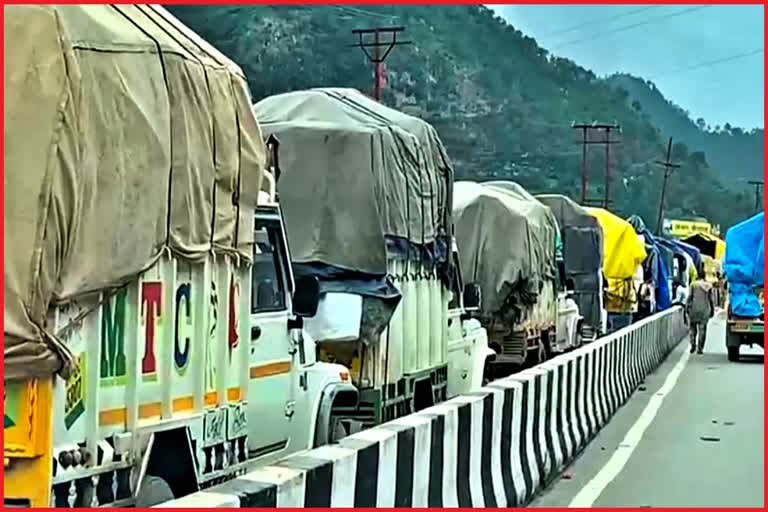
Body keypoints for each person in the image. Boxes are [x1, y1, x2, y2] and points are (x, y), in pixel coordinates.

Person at [686, 269, 715, 354]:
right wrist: (712, 310)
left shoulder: (693, 285)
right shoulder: (708, 286)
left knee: (692, 329)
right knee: (702, 330)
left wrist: (686, 308)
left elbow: (689, 298)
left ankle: (693, 345)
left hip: (694, 310)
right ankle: (700, 348)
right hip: (705, 310)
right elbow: (711, 300)